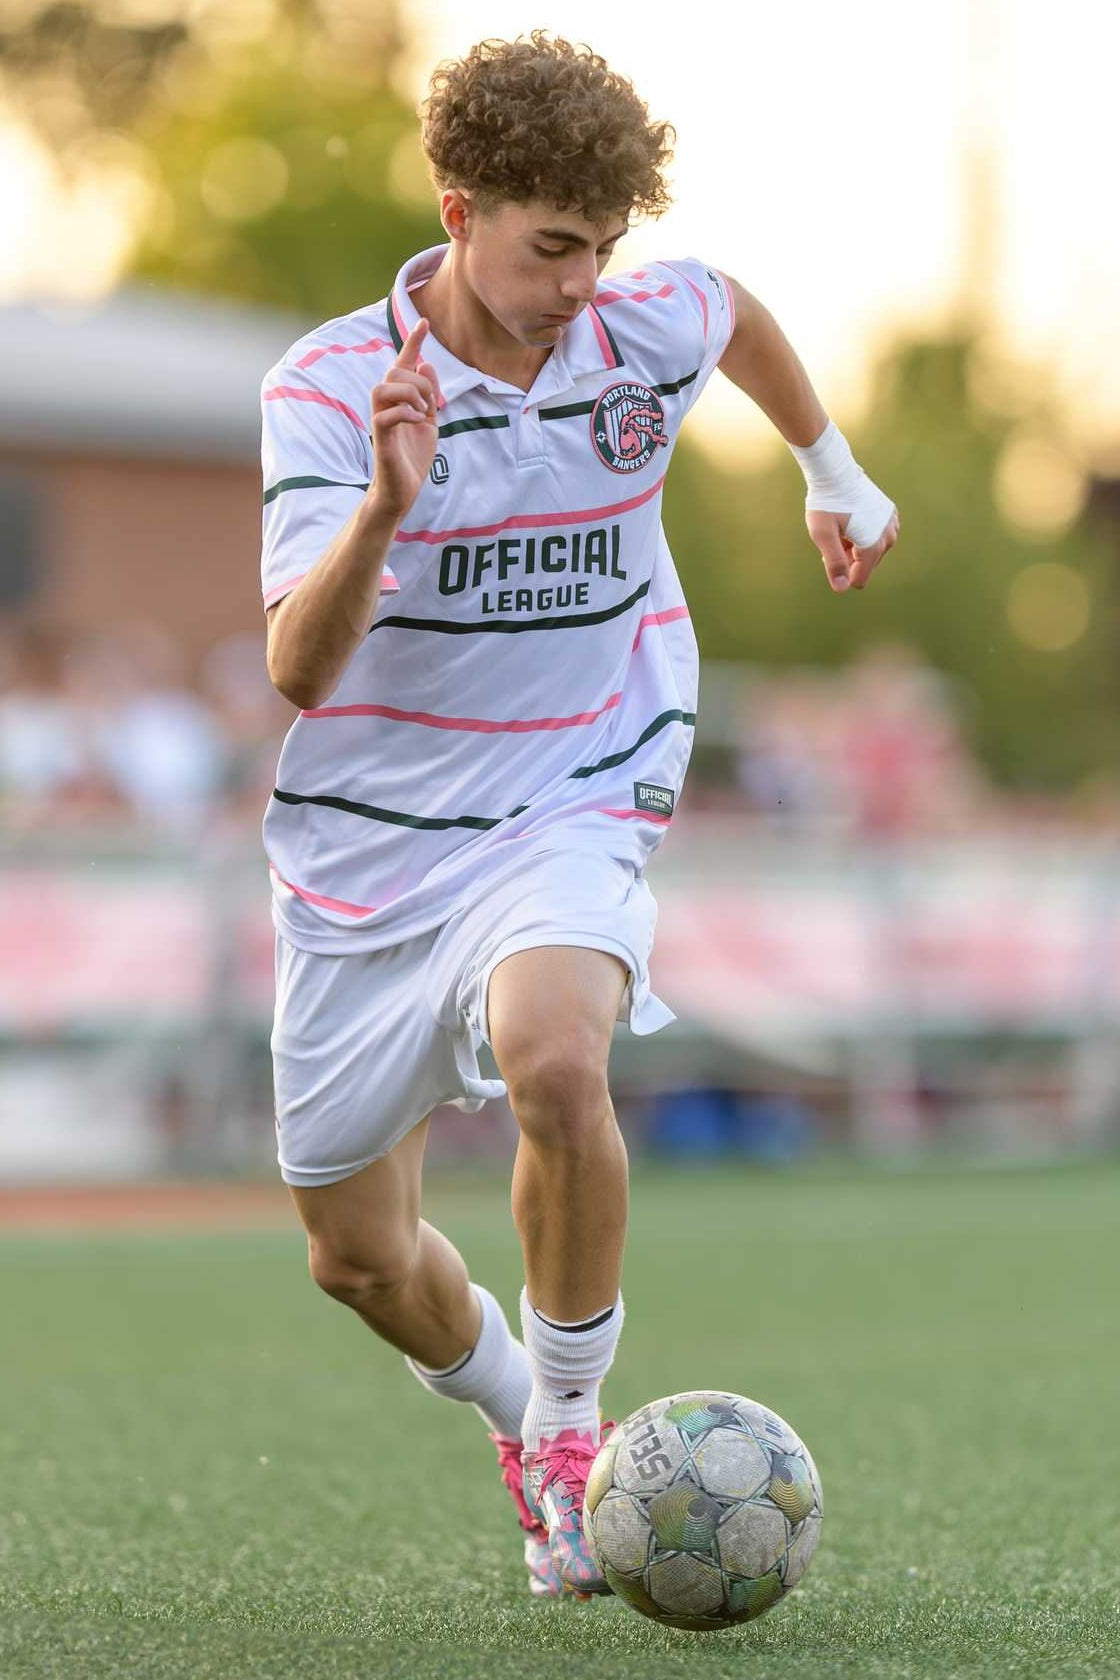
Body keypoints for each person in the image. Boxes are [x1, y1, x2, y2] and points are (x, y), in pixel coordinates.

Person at [259, 32, 898, 1600]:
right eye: (553, 247)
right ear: (458, 207)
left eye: (604, 247)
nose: (580, 283)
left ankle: (565, 1431)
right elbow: (295, 667)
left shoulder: (638, 325)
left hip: (581, 780)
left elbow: (729, 306)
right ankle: (501, 1400)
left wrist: (829, 465)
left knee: (558, 1050)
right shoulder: (331, 390)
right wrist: (386, 512)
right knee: (356, 1257)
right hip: (367, 851)